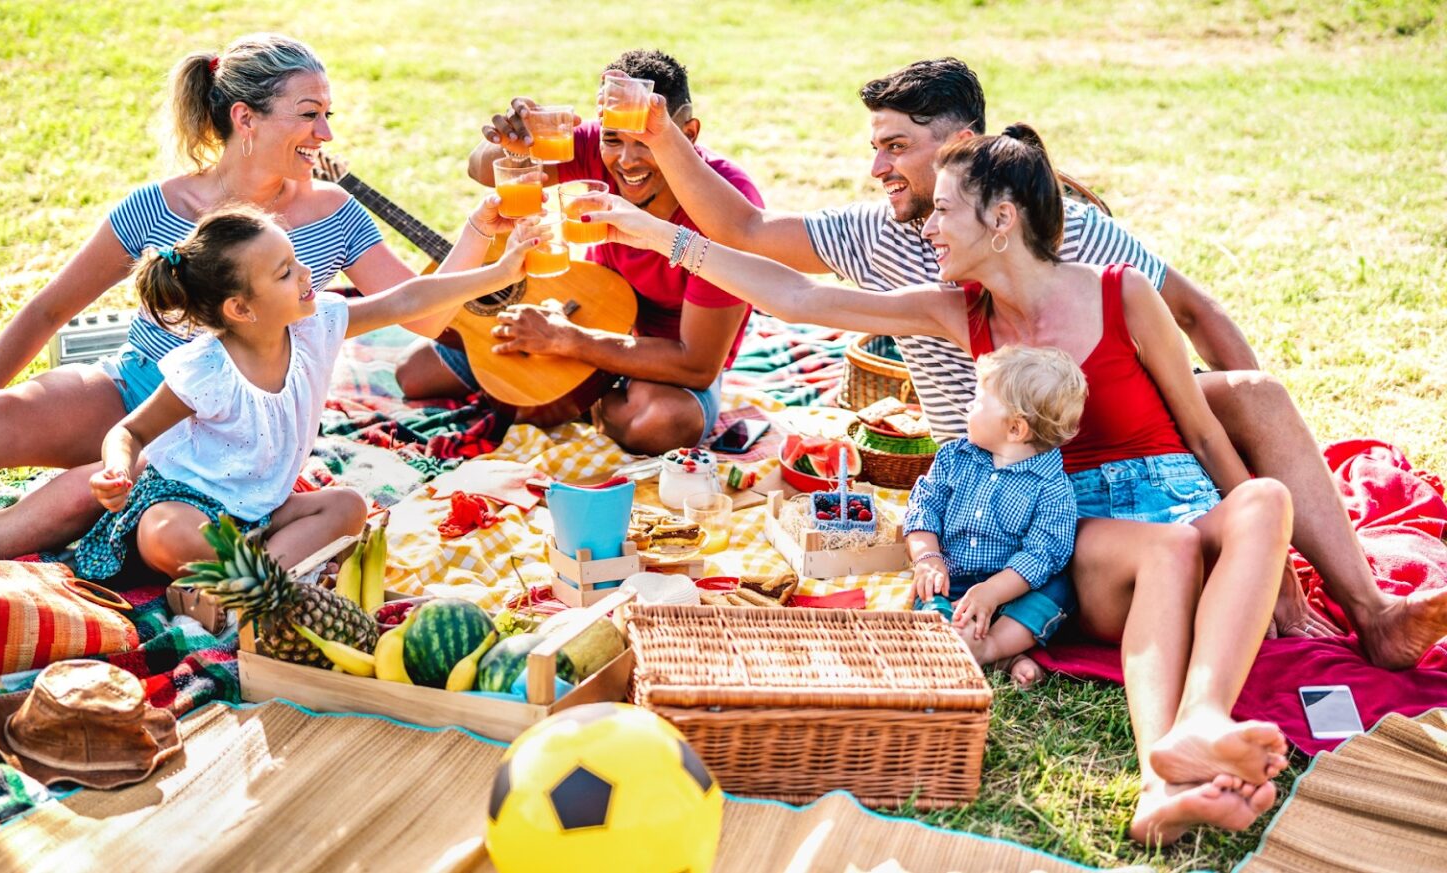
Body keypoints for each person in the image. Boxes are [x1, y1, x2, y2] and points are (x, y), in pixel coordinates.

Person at [599, 59, 1447, 669]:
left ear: (967, 155)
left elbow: (1194, 316)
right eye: (876, 147)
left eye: (896, 146)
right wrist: (661, 189)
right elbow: (769, 263)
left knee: (1254, 397)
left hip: (1119, 424)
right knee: (1173, 507)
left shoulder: (1064, 234)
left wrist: (1260, 492)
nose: (877, 168)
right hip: (1015, 455)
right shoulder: (894, 247)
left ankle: (1368, 608)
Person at [582, 124, 1297, 844]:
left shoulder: (1123, 291)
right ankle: (1160, 782)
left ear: (1002, 218)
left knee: (1266, 500)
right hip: (1107, 548)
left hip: (1186, 504)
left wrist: (1273, 561)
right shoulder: (956, 312)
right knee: (1172, 547)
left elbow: (1204, 433)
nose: (928, 227)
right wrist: (662, 237)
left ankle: (1200, 723)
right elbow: (797, 297)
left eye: (945, 209)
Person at [0, 34, 442, 562]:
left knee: (79, 493)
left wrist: (480, 229)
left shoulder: (335, 214)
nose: (325, 134)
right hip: (139, 387)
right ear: (245, 117)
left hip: (231, 435)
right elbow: (49, 309)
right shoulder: (157, 205)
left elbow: (426, 317)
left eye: (327, 114)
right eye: (309, 114)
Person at [75, 200, 534, 579]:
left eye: (296, 260)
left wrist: (500, 274)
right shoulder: (207, 370)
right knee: (165, 534)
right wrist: (116, 469)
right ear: (240, 309)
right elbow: (130, 433)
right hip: (188, 505)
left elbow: (406, 299)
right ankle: (268, 579)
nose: (305, 272)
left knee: (348, 507)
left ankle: (241, 589)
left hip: (262, 512)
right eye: (284, 273)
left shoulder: (317, 326)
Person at [394, 49, 760, 456]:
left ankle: (571, 400)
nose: (626, 161)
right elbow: (481, 170)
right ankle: (558, 392)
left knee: (663, 423)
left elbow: (698, 364)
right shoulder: (591, 145)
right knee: (414, 374)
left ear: (687, 134)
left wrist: (566, 340)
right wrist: (513, 147)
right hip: (587, 307)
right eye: (613, 139)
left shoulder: (726, 207)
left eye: (645, 141)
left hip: (662, 359)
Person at [904, 345, 1087, 689]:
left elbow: (1042, 554)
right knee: (930, 591)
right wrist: (928, 557)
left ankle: (991, 647)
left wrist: (993, 591)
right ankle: (975, 643)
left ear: (1016, 429)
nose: (967, 407)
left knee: (1059, 589)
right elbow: (924, 507)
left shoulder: (1052, 487)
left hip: (1015, 588)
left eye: (977, 401)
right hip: (954, 578)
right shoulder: (953, 457)